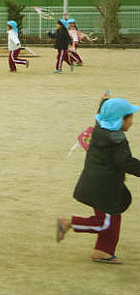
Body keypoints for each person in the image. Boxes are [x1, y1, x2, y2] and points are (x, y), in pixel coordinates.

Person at [57, 94, 140, 264]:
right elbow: (125, 162)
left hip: (99, 184)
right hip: (104, 189)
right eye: (130, 118)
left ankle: (103, 251)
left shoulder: (100, 130)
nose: (132, 122)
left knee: (113, 218)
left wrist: (103, 103)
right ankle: (69, 223)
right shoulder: (117, 141)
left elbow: (101, 117)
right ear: (120, 121)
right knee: (106, 223)